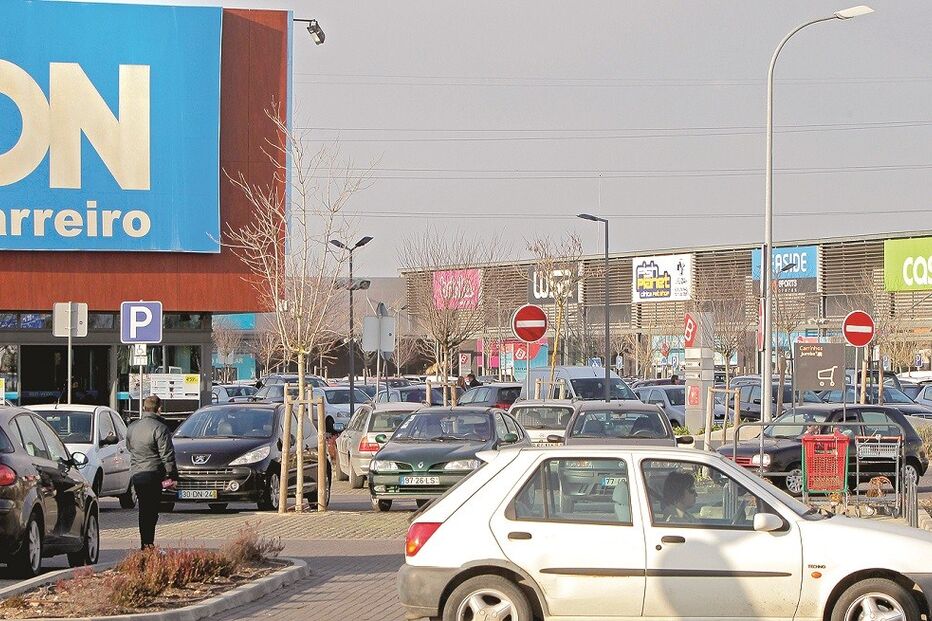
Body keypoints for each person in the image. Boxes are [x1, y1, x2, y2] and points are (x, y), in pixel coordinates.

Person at [125, 395, 177, 549]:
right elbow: (167, 454)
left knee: (144, 509)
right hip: (154, 474)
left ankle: (145, 543)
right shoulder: (160, 428)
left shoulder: (132, 427)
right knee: (152, 511)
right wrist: (172, 475)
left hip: (137, 474)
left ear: (143, 408)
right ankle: (148, 543)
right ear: (159, 409)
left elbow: (130, 447)